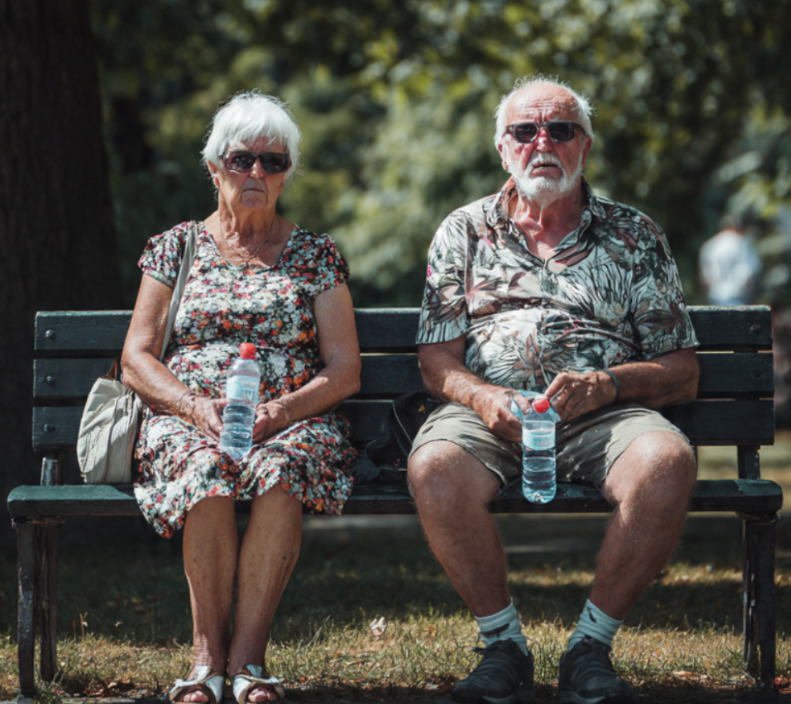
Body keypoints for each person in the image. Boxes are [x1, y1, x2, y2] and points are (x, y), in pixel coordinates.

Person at [407, 76, 700, 704]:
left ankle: (589, 648)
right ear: (503, 148)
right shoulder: (463, 230)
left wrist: (608, 383)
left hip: (604, 416)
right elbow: (436, 360)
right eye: (525, 130)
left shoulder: (634, 235)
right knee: (433, 467)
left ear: (584, 146)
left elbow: (681, 368)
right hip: (491, 414)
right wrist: (483, 397)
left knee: (667, 461)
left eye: (560, 130)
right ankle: (503, 648)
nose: (542, 143)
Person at [121, 91, 361, 704]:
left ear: (287, 174)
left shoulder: (315, 255)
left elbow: (344, 369)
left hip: (290, 418)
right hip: (189, 415)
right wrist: (193, 407)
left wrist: (282, 411)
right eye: (241, 159)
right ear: (214, 168)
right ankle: (206, 660)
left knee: (282, 469)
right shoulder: (176, 247)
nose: (256, 173)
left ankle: (249, 660)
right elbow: (137, 357)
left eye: (273, 162)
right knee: (205, 470)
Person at [699, 213, 761, 306]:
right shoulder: (743, 243)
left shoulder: (710, 245)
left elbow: (706, 277)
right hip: (738, 295)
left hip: (716, 296)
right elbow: (751, 270)